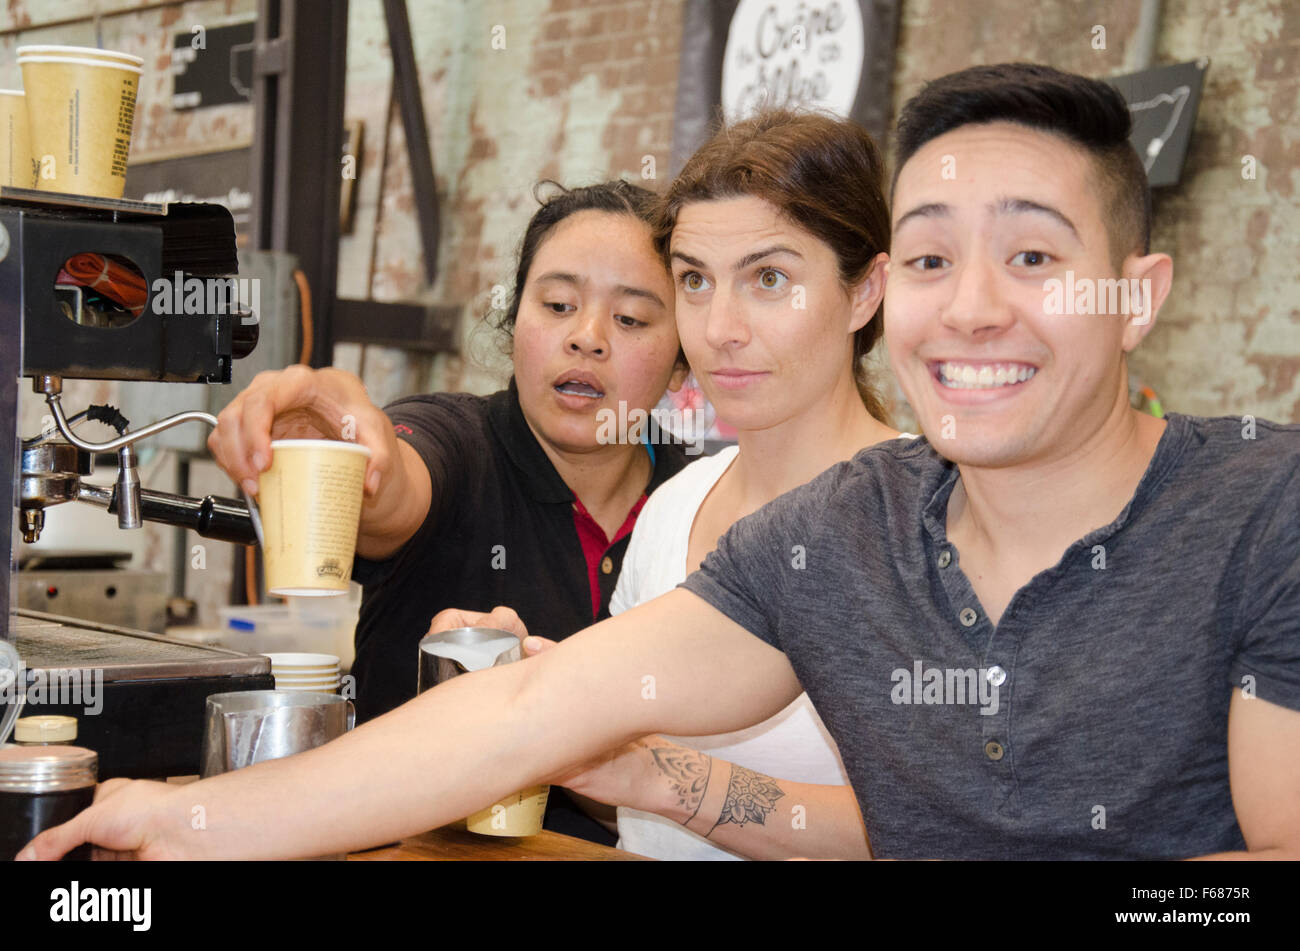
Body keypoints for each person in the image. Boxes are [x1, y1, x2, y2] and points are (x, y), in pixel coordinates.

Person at [22, 64, 1299, 862]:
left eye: (1029, 258)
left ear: (1135, 297)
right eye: (929, 257)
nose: (966, 310)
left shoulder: (1260, 506)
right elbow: (528, 709)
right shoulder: (842, 531)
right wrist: (182, 819)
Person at [202, 180, 690, 844]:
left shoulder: (706, 500)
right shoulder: (459, 445)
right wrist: (341, 443)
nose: (587, 337)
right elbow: (392, 487)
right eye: (556, 304)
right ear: (515, 318)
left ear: (685, 357)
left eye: (631, 318)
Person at [532, 110, 911, 860]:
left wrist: (662, 777)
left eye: (769, 279)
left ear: (865, 291)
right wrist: (538, 701)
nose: (720, 328)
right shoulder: (673, 507)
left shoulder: (929, 515)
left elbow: (932, 827)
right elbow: (634, 806)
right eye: (695, 281)